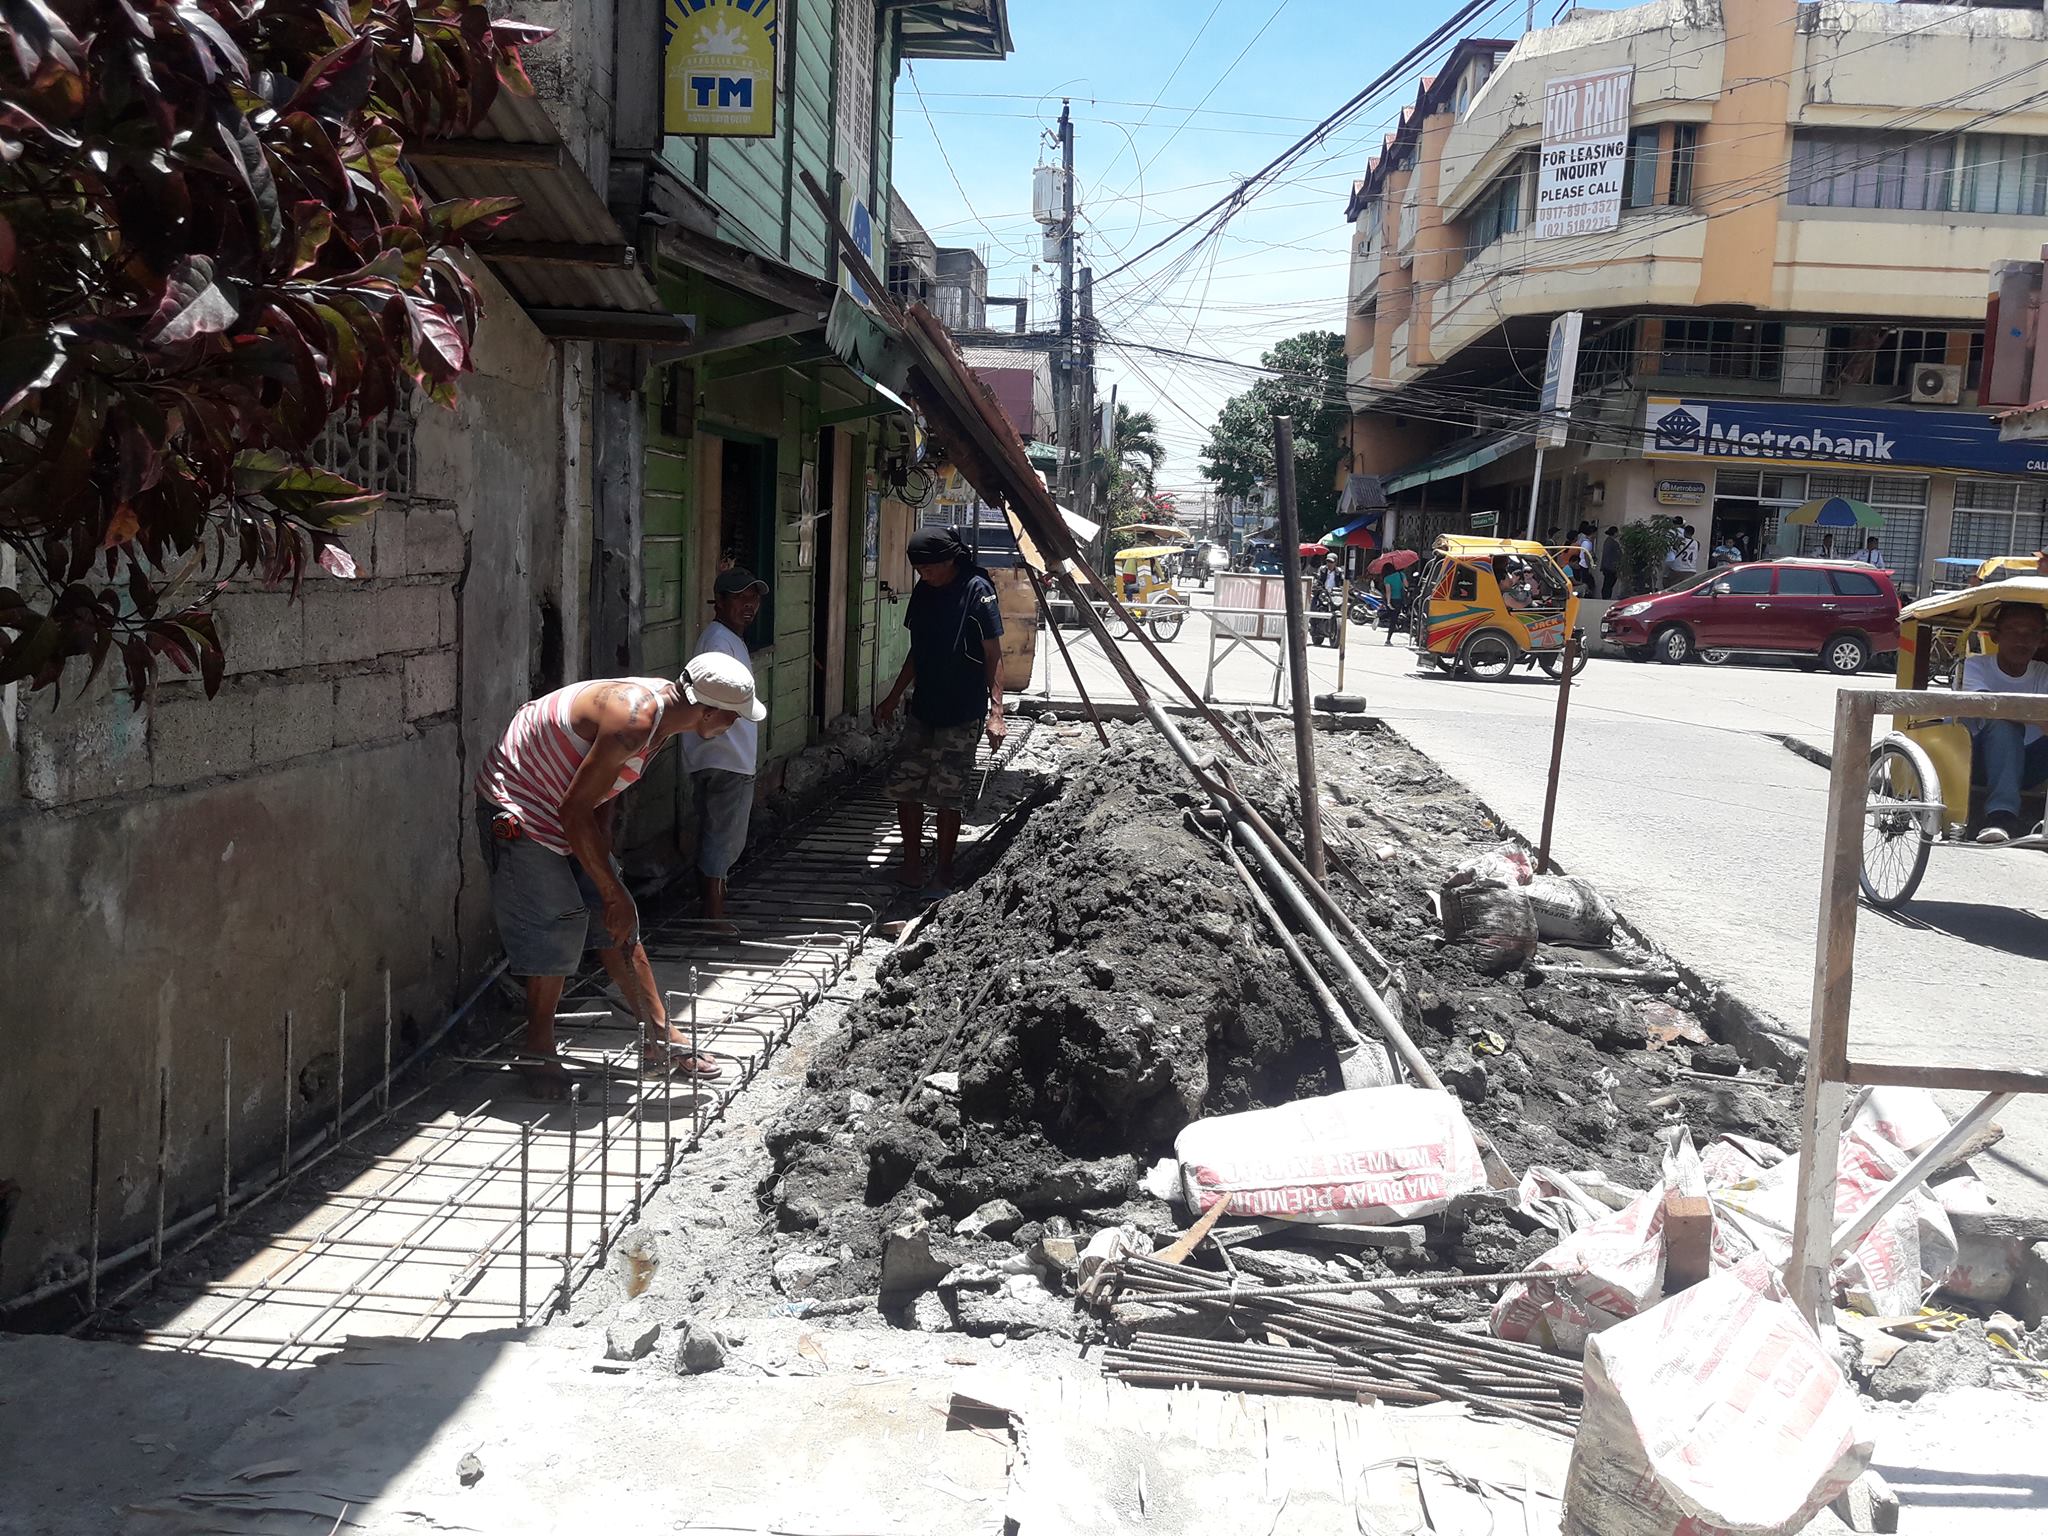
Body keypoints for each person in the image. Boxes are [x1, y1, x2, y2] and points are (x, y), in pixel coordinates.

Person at [475, 654, 768, 1092]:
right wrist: (612, 891)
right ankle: (536, 1051)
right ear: (707, 710)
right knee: (559, 923)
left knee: (619, 920)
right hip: (521, 802)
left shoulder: (664, 715)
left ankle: (660, 1037)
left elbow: (605, 784)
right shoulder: (635, 718)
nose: (737, 724)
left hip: (565, 803)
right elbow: (572, 810)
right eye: (733, 716)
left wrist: (605, 857)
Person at [875, 527, 1007, 892]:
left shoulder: (977, 590)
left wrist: (997, 712)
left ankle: (945, 869)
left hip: (962, 708)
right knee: (905, 786)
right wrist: (893, 696)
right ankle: (912, 865)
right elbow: (917, 651)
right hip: (924, 706)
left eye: (929, 568)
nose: (924, 575)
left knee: (948, 793)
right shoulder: (923, 592)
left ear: (949, 560)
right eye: (918, 570)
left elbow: (994, 654)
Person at [683, 568, 768, 923]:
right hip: (725, 754)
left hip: (722, 753)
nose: (748, 605)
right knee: (723, 838)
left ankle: (711, 907)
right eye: (739, 598)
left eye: (754, 598)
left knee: (719, 833)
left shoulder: (728, 637)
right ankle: (713, 915)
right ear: (718, 602)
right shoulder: (719, 641)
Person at [1961, 604, 2048, 843]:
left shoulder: (2043, 673)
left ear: (2041, 640)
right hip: (1974, 762)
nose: (2022, 640)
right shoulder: (1975, 667)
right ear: (1996, 636)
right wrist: (2037, 718)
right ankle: (2001, 816)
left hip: (2030, 764)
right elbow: (1989, 706)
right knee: (2003, 726)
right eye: (2013, 631)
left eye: (2031, 632)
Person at [1663, 523, 1699, 588]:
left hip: (1678, 569)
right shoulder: (1696, 543)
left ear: (1684, 532)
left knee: (1672, 587)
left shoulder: (1679, 541)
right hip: (1691, 570)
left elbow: (1673, 550)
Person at [1380, 562, 1408, 645]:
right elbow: (1406, 585)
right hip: (1399, 600)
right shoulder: (1401, 574)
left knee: (1389, 613)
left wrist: (1388, 603)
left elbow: (1388, 591)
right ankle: (1388, 639)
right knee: (1394, 619)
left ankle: (1379, 617)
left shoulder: (1387, 578)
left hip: (1390, 600)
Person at [1599, 526, 1624, 598]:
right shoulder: (1613, 543)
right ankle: (1606, 597)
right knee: (1609, 583)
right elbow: (1618, 555)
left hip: (1607, 566)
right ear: (1615, 533)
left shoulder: (1607, 541)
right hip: (1611, 567)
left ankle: (1606, 596)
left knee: (1607, 583)